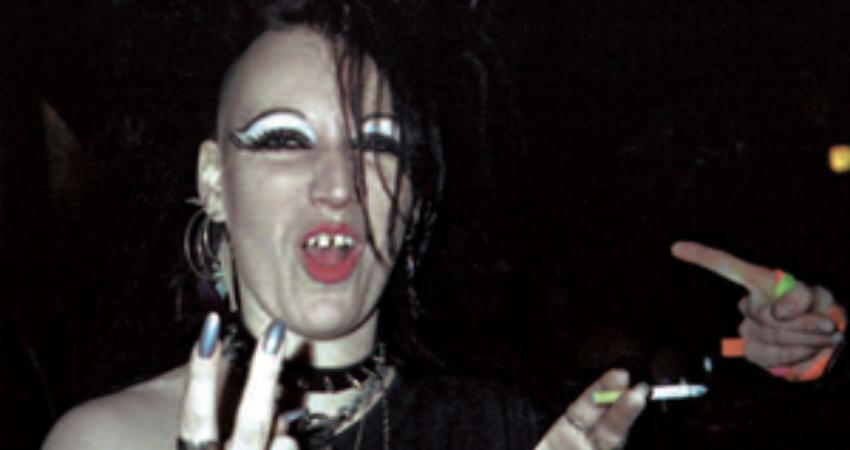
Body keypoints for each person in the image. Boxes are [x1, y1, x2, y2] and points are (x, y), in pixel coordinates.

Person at [43, 1, 648, 449]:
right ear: (214, 182)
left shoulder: (509, 429)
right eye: (284, 139)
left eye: (378, 144)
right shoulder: (107, 440)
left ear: (413, 195)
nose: (339, 185)